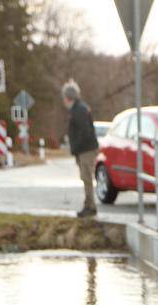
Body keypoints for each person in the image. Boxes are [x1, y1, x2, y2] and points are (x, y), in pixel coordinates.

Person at [62, 81, 99, 218]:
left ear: (68, 97)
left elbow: (85, 131)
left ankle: (90, 206)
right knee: (85, 177)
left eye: (64, 96)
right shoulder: (79, 108)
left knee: (87, 177)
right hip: (84, 149)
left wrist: (76, 147)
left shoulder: (79, 110)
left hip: (86, 149)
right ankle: (88, 204)